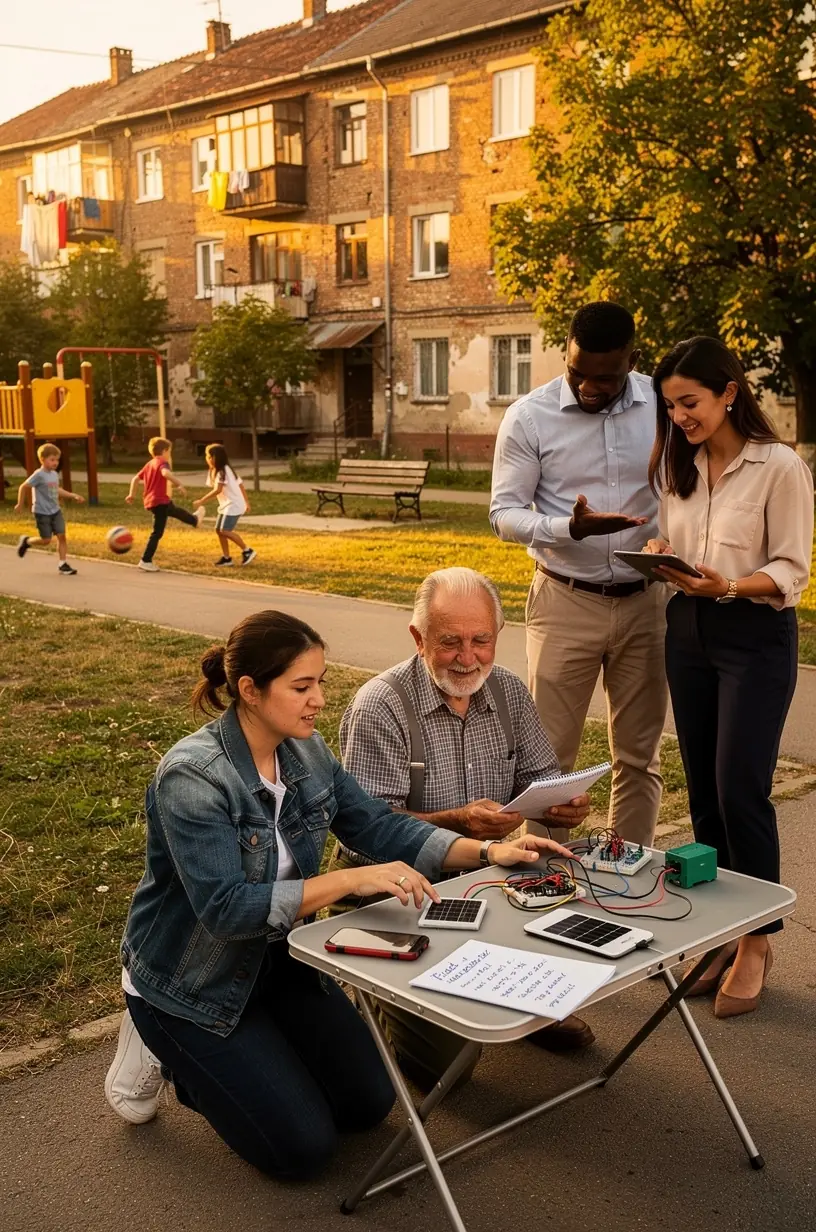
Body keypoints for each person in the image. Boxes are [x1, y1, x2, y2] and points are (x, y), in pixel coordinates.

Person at [104, 609, 573, 1179]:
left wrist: (487, 853)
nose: (320, 699)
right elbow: (226, 910)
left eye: (320, 682)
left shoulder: (307, 751)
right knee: (301, 1152)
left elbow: (378, 825)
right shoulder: (193, 777)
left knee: (367, 1105)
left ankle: (258, 1054)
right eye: (302, 686)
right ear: (249, 691)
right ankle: (166, 1044)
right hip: (195, 979)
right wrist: (349, 879)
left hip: (279, 958)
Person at [329, 566, 593, 1089]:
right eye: (449, 642)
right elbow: (364, 832)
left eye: (481, 640)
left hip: (488, 881)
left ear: (498, 636)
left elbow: (541, 774)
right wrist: (458, 823)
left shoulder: (510, 692)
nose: (468, 658)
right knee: (444, 1071)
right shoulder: (380, 705)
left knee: (573, 887)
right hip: (394, 892)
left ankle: (521, 999)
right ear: (418, 637)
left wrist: (562, 802)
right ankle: (368, 1001)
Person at [644, 337, 813, 1019]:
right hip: (686, 630)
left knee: (742, 789)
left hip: (754, 634)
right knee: (707, 795)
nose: (680, 417)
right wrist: (662, 556)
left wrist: (729, 586)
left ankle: (757, 939)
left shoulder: (780, 467)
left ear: (729, 392)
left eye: (690, 402)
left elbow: (792, 570)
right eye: (671, 406)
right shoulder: (676, 467)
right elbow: (679, 546)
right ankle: (719, 929)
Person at [490, 301, 668, 846]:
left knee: (639, 755)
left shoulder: (662, 406)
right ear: (565, 353)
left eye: (605, 377)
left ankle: (628, 869)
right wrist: (570, 528)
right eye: (577, 371)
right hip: (565, 600)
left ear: (631, 361)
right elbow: (504, 514)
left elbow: (687, 488)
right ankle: (543, 881)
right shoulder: (529, 415)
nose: (589, 386)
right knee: (549, 761)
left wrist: (672, 540)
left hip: (648, 601)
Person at [126, 437, 204, 572]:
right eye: (169, 452)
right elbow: (165, 473)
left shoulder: (149, 464)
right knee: (157, 533)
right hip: (159, 501)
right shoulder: (162, 462)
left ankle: (194, 520)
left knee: (174, 510)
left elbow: (135, 479)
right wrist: (179, 484)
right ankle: (145, 560)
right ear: (164, 451)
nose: (169, 455)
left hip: (154, 501)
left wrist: (131, 494)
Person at [15, 441, 85, 575]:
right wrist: (20, 503)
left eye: (57, 460)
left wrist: (72, 495)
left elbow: (56, 489)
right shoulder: (39, 474)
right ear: (42, 459)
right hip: (42, 512)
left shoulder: (53, 474)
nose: (55, 463)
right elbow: (24, 486)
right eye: (52, 460)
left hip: (55, 510)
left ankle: (63, 564)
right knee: (46, 540)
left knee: (62, 536)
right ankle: (27, 541)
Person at [193, 443, 256, 567]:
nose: (206, 458)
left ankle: (247, 550)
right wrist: (247, 502)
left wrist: (201, 501)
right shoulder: (218, 470)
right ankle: (227, 558)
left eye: (207, 456)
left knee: (224, 530)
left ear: (214, 457)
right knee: (219, 530)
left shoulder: (223, 471)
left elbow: (218, 489)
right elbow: (240, 485)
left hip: (234, 505)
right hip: (226, 505)